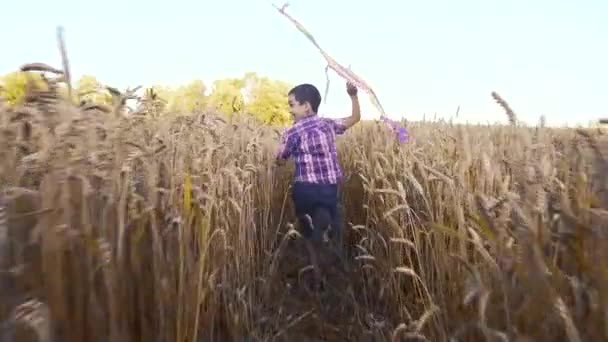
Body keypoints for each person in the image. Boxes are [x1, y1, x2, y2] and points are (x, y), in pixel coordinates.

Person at [276, 81, 361, 263]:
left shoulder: (292, 132)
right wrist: (353, 95)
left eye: (292, 105)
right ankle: (331, 244)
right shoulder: (328, 124)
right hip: (329, 187)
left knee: (306, 230)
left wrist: (280, 150)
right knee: (330, 217)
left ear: (306, 106)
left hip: (305, 189)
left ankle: (312, 261)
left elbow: (281, 160)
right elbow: (355, 118)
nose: (289, 110)